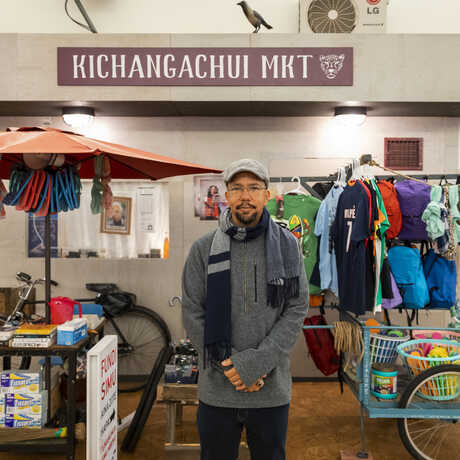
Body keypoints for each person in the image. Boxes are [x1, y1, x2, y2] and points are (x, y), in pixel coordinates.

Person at [182, 159, 308, 460]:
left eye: (254, 187)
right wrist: (230, 368)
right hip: (217, 389)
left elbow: (296, 307)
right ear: (226, 195)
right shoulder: (203, 248)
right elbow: (192, 310)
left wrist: (256, 364)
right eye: (237, 188)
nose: (245, 195)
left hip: (271, 388)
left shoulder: (288, 246)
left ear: (267, 194)